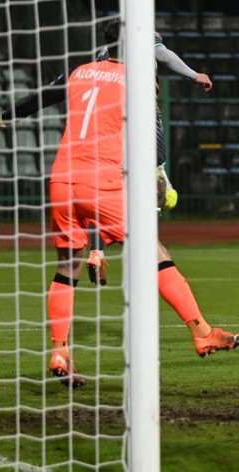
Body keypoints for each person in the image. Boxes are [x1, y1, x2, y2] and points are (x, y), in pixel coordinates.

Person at [0, 21, 239, 388]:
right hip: (102, 179)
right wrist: (160, 175)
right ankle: (202, 333)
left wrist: (0, 119)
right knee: (155, 252)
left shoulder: (79, 71)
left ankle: (60, 351)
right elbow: (154, 132)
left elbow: (38, 98)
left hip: (60, 179)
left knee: (66, 268)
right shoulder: (136, 81)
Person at [86, 33, 213, 286]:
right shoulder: (143, 32)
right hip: (142, 111)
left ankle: (97, 251)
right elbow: (164, 55)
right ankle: (148, 247)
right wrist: (195, 74)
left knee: (106, 190)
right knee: (155, 176)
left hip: (107, 119)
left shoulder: (103, 51)